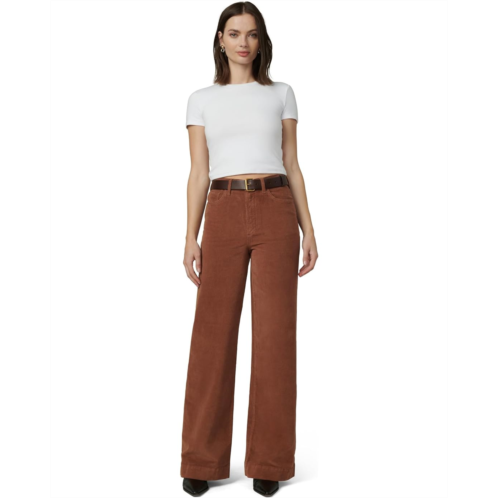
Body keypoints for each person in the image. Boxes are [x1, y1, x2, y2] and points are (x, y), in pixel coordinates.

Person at [180, 2, 318, 496]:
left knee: (276, 336)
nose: (243, 42)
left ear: (261, 42)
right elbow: (199, 172)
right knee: (211, 335)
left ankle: (270, 461)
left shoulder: (281, 94)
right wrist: (190, 235)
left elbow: (292, 164)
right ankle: (201, 459)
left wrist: (308, 228)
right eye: (235, 33)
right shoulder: (201, 100)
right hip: (221, 209)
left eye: (252, 34)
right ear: (220, 39)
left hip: (276, 207)